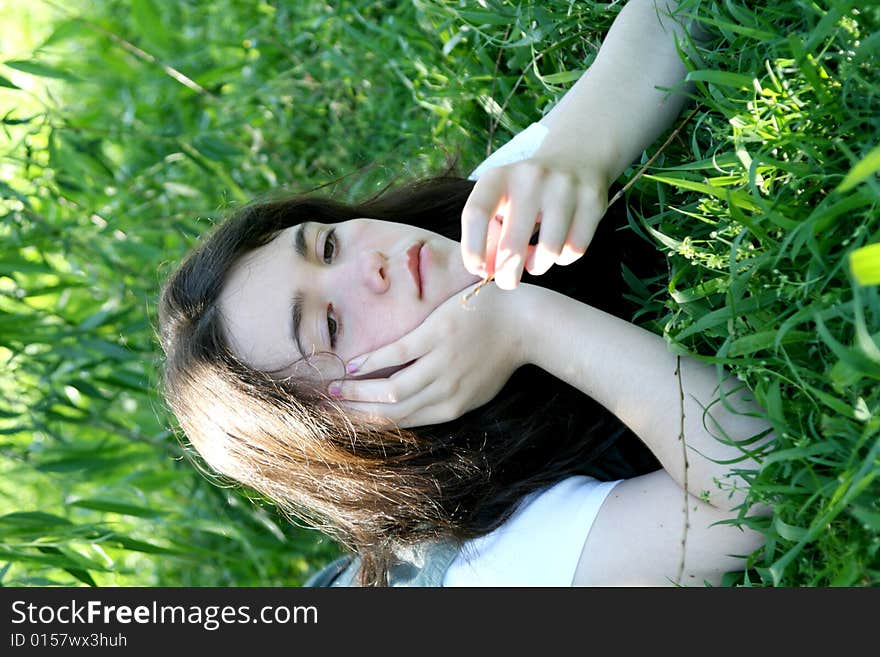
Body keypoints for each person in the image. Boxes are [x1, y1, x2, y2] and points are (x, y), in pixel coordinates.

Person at [157, 0, 775, 587]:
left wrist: (581, 147)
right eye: (331, 326)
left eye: (326, 246)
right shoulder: (490, 563)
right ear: (347, 427)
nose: (369, 265)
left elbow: (675, 19)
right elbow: (755, 488)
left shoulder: (475, 224)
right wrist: (527, 325)